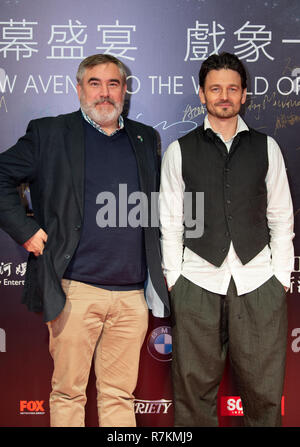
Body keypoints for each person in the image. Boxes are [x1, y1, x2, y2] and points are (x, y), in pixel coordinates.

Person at [0, 54, 169, 427]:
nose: (104, 93)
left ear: (125, 90)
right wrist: (25, 230)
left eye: (113, 84)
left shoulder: (144, 138)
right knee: (68, 394)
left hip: (132, 296)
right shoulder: (49, 133)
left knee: (119, 396)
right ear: (79, 89)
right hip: (74, 290)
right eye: (95, 83)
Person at [159, 52, 294, 427]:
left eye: (232, 89)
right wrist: (175, 278)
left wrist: (280, 276)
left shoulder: (266, 148)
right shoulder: (179, 150)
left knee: (265, 393)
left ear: (244, 95)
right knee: (192, 392)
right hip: (196, 280)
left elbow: (281, 217)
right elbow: (169, 220)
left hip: (258, 280)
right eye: (215, 88)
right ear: (201, 94)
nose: (224, 96)